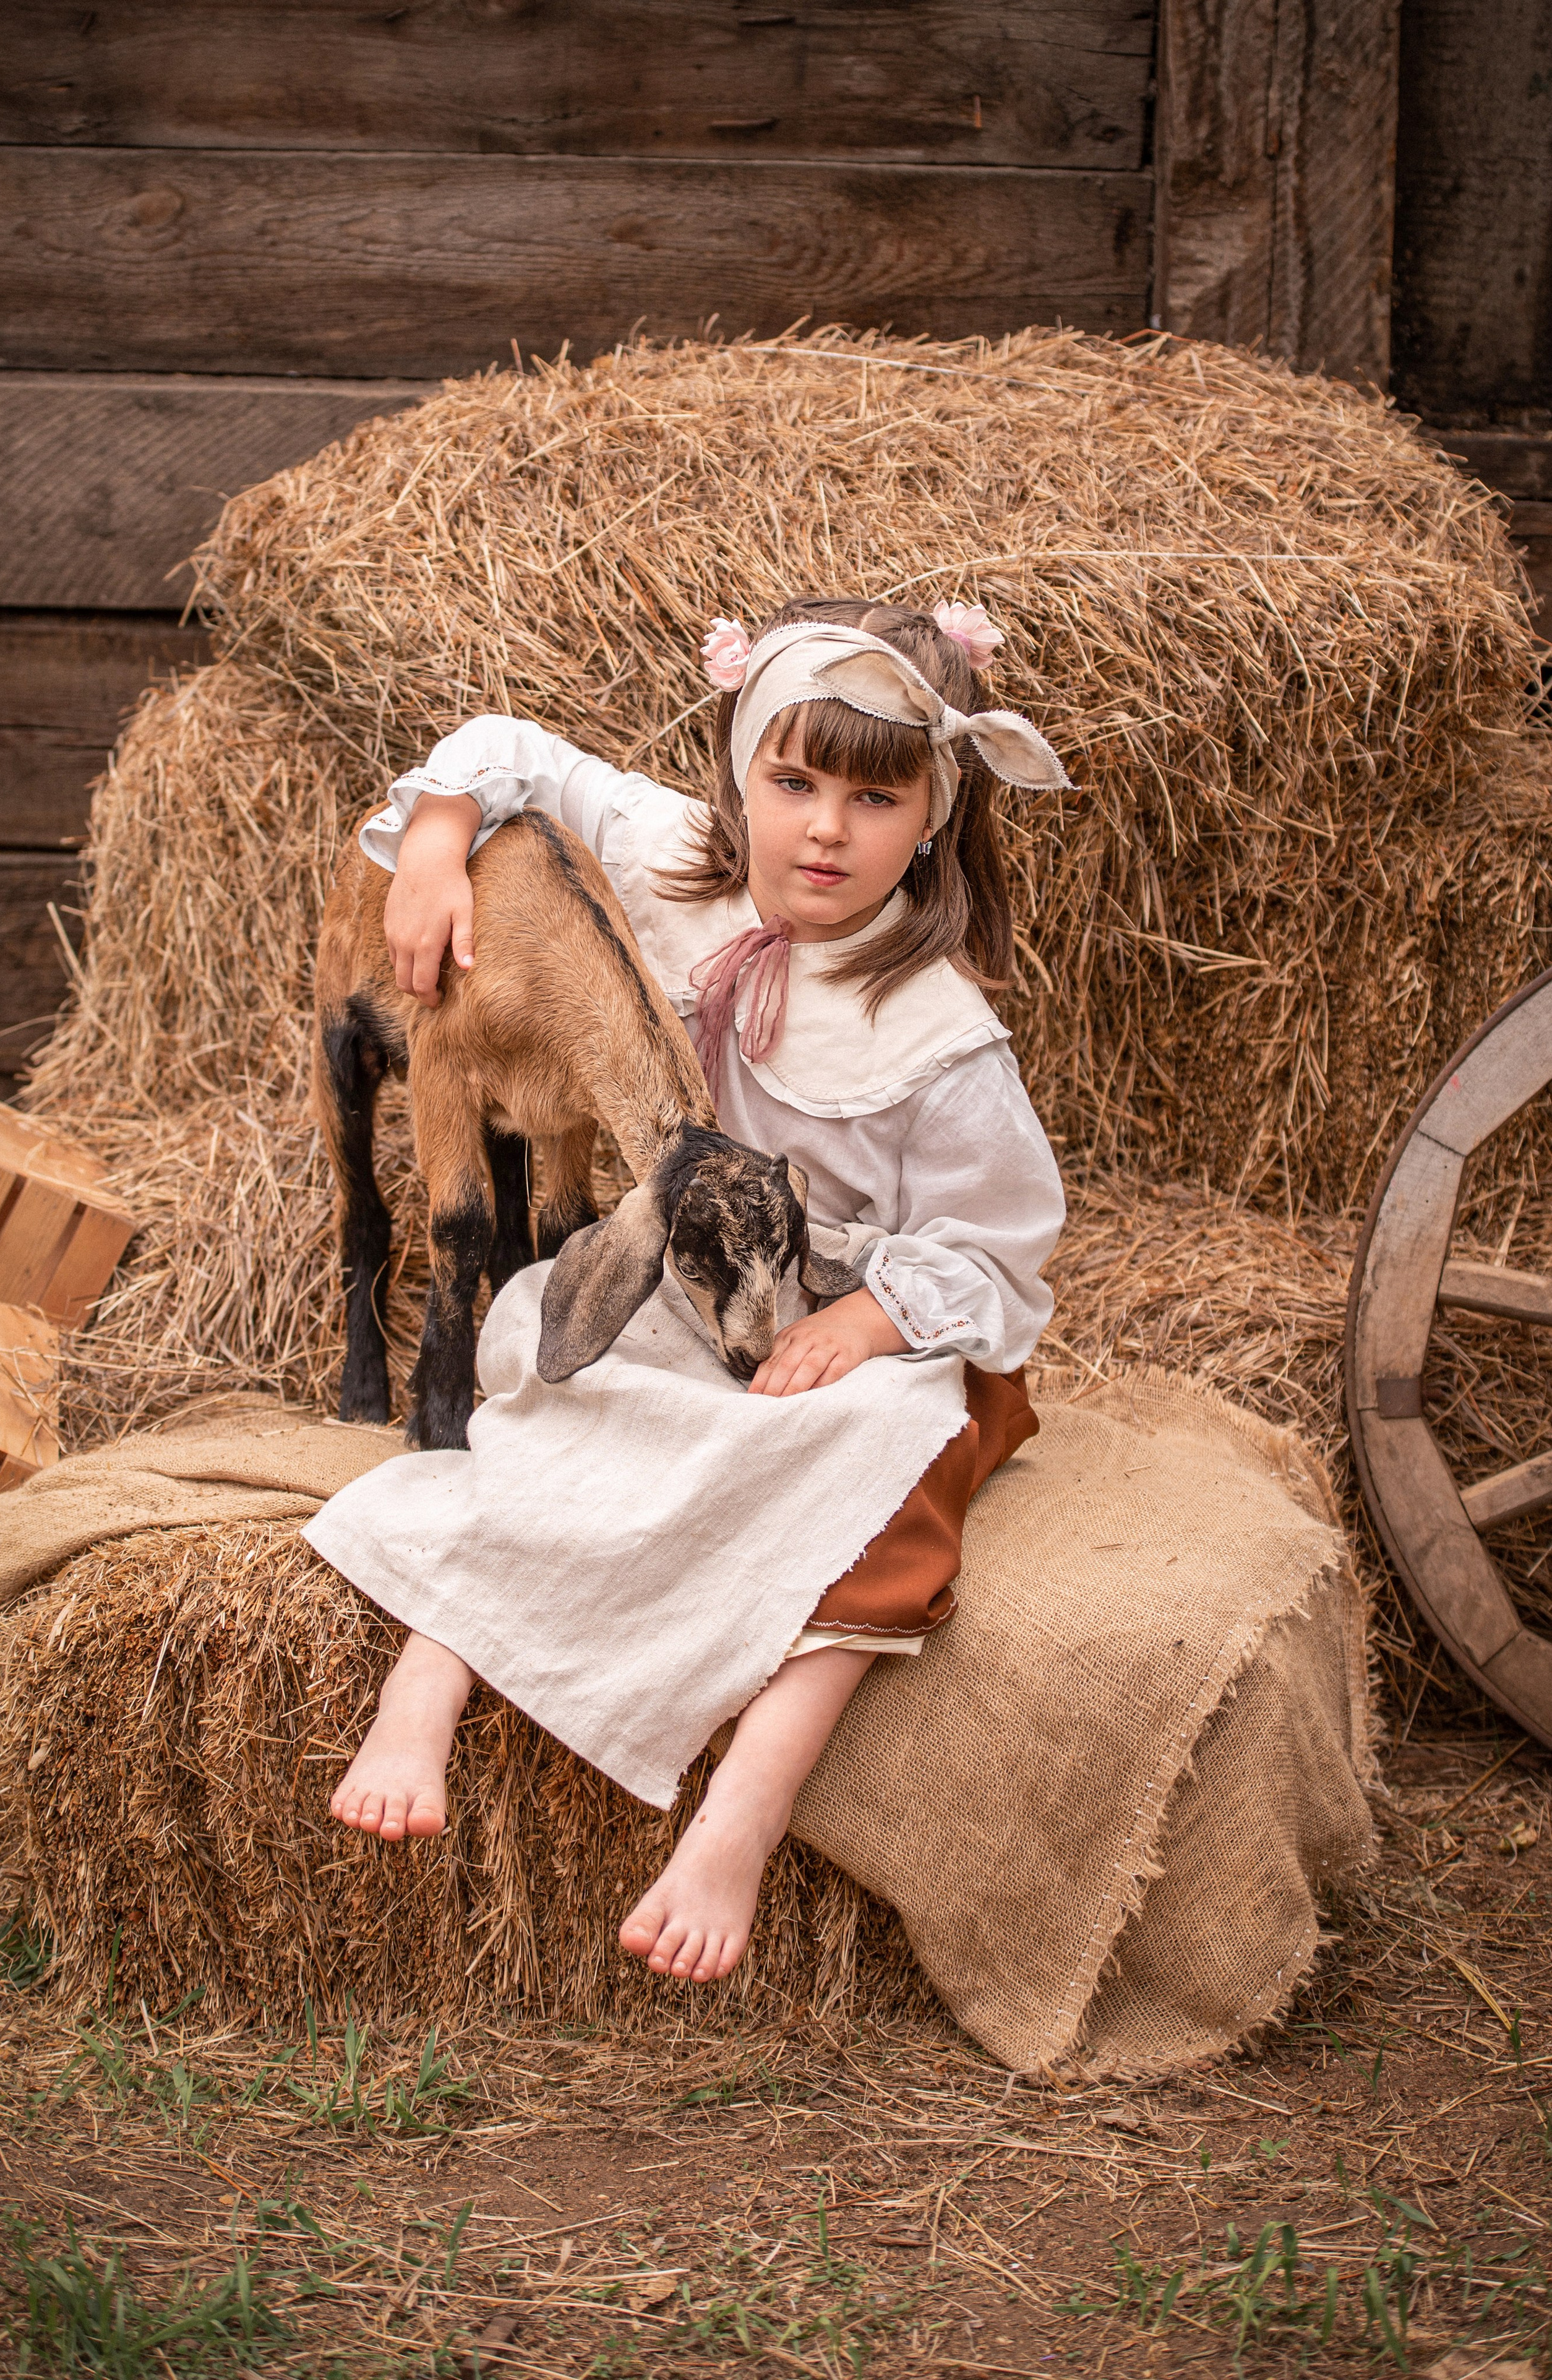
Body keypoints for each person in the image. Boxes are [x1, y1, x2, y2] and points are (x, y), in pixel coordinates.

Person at [311, 595, 1068, 1987]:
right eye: (793, 782)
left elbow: (1000, 1241)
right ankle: (433, 1667)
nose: (824, 830)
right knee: (558, 1361)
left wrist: (869, 1320)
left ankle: (740, 1818)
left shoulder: (938, 1030)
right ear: (737, 771)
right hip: (702, 1283)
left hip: (871, 1323)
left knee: (882, 1472)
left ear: (933, 817)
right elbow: (511, 750)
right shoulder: (676, 864)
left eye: (874, 798)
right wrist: (434, 840)